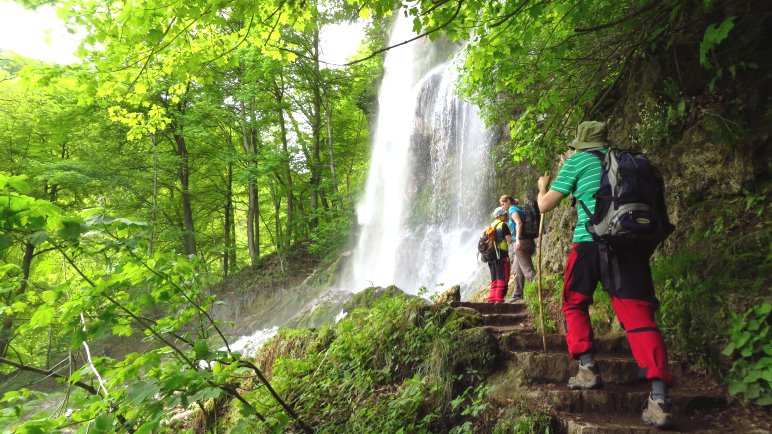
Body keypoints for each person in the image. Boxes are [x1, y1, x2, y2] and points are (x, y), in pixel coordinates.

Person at [536, 121, 674, 429]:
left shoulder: (576, 162)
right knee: (639, 315)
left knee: (574, 302)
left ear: (580, 144)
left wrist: (543, 186)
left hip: (589, 244)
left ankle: (587, 368)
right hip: (629, 244)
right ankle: (659, 397)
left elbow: (545, 206)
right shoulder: (626, 160)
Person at [500, 195, 536, 301]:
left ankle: (540, 290)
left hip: (521, 243)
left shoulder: (512, 209)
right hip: (527, 241)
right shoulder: (518, 208)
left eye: (503, 204)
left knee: (527, 270)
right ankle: (517, 294)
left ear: (507, 201)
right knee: (516, 269)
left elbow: (519, 223)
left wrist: (518, 239)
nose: (502, 207)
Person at [487, 206, 512, 303]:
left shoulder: (491, 225)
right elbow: (509, 241)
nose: (506, 216)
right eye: (504, 215)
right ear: (500, 216)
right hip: (501, 254)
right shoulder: (503, 225)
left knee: (494, 277)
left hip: (491, 255)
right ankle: (499, 297)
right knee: (502, 276)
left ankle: (492, 298)